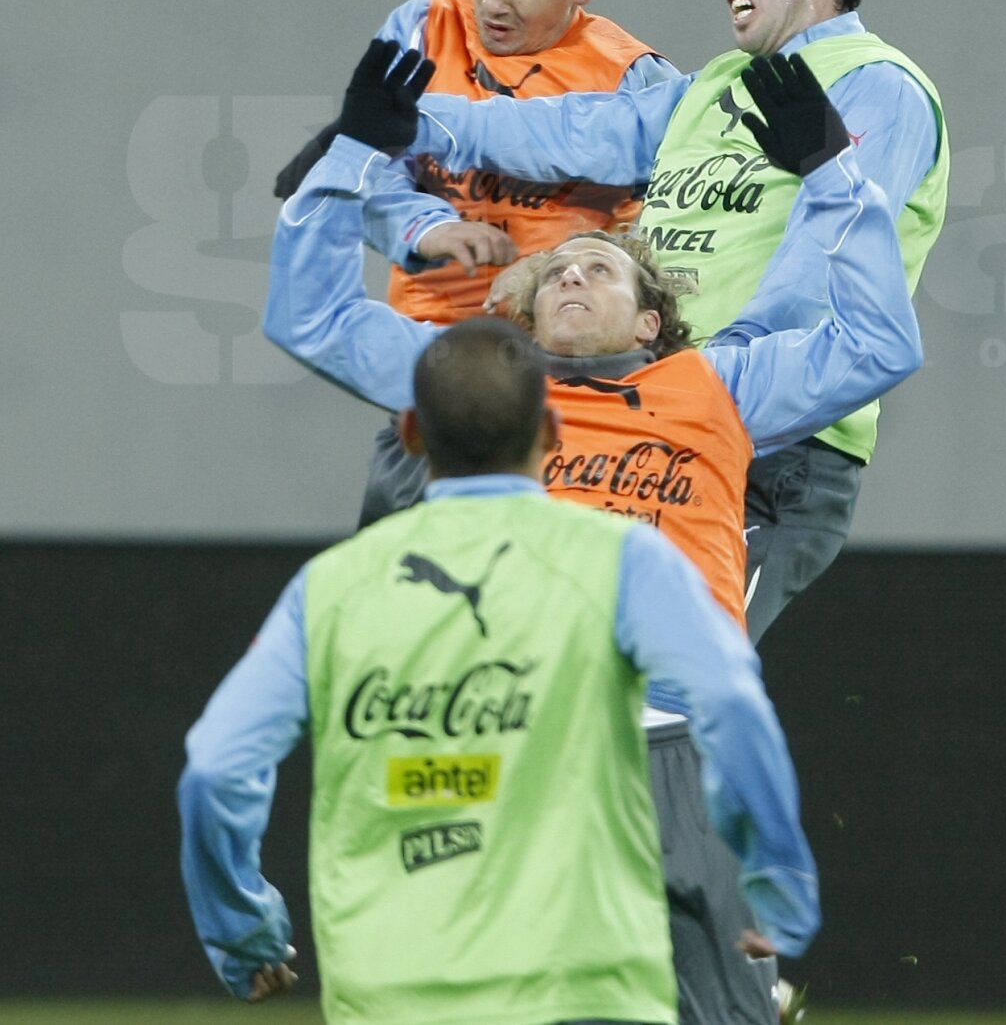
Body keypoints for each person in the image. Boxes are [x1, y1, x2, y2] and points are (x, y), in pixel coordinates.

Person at [261, 42, 921, 1025]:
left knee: (720, 1012)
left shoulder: (719, 386)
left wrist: (832, 171)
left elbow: (880, 343)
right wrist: (355, 154)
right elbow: (306, 317)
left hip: (673, 738)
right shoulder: (478, 391)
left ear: (654, 319)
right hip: (516, 738)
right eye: (554, 272)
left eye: (599, 268)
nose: (570, 277)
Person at [179, 316, 821, 1024]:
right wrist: (776, 869)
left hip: (395, 989)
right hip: (593, 982)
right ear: (552, 428)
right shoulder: (626, 559)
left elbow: (216, 766)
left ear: (413, 433)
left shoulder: (330, 588)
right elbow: (730, 702)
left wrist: (242, 928)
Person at [384, 0, 951, 642]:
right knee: (557, 662)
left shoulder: (881, 88)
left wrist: (705, 389)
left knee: (670, 678)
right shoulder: (715, 83)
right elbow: (563, 132)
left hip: (769, 442)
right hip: (657, 414)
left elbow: (824, 277)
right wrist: (407, 117)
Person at [273, 0, 677, 527]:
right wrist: (421, 226)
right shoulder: (421, 28)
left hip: (566, 397)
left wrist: (548, 268)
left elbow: (661, 235)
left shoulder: (635, 79)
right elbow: (362, 158)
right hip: (431, 377)